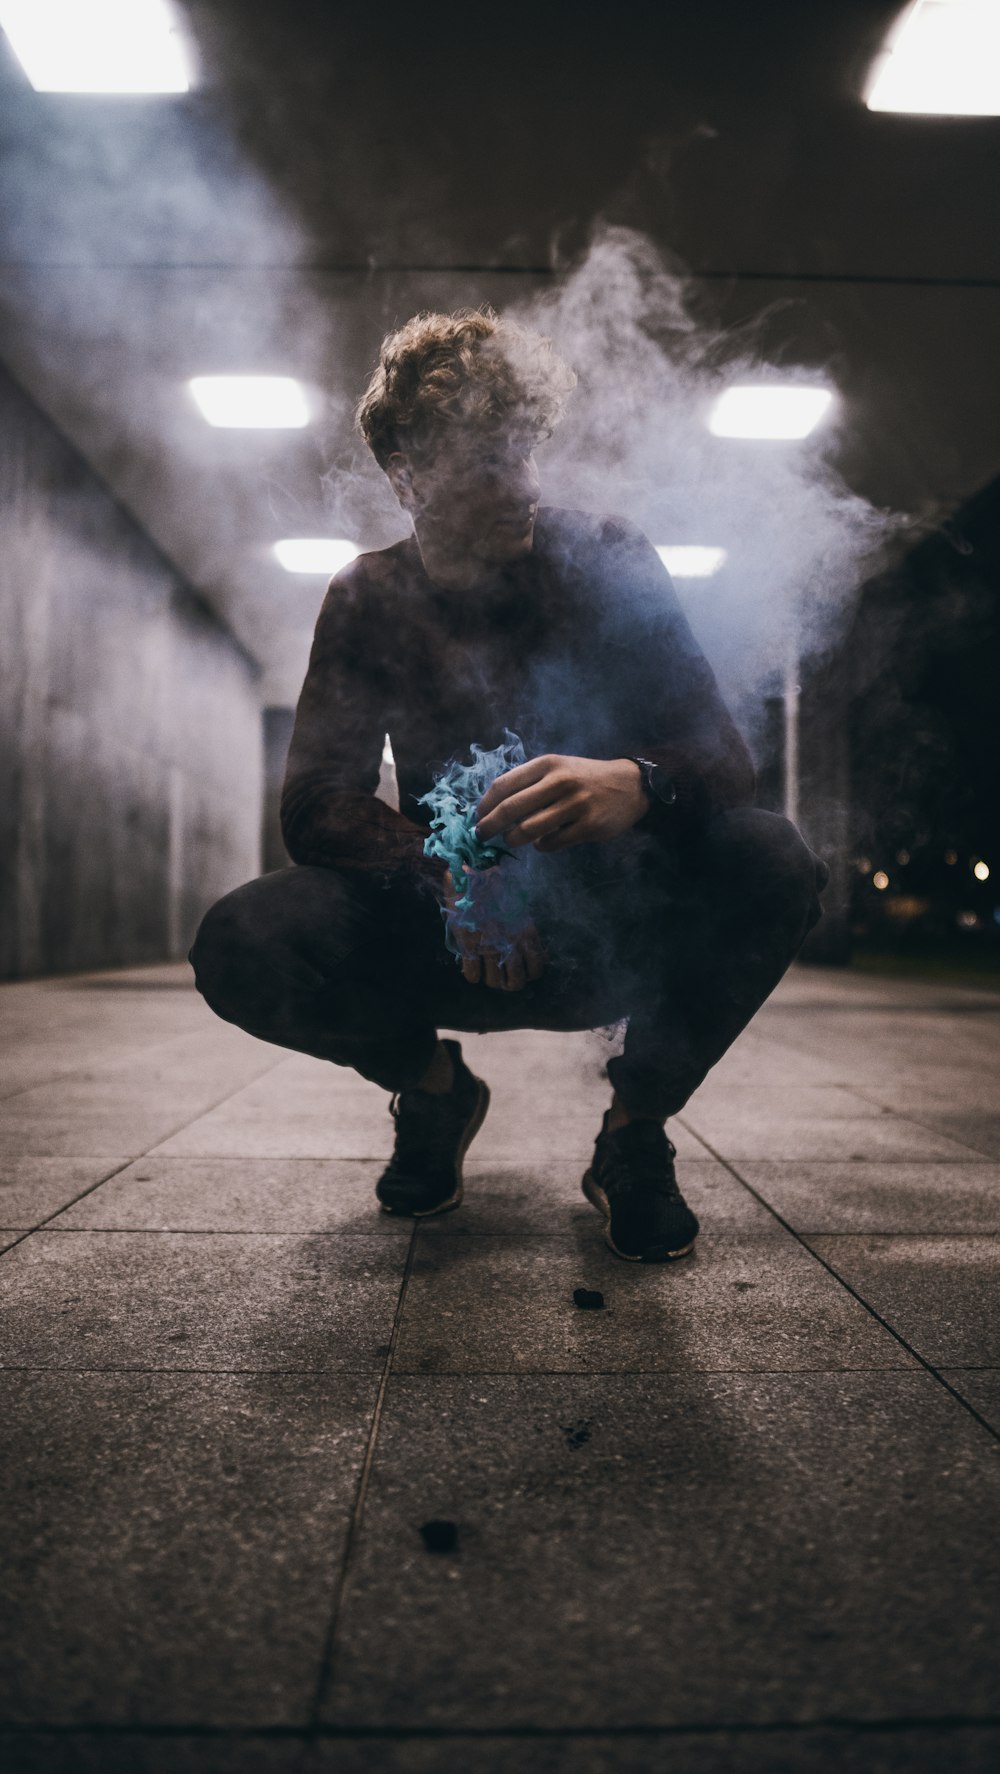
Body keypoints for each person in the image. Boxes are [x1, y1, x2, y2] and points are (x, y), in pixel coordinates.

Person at [190, 309, 827, 1262]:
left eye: (528, 451)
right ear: (408, 477)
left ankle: (632, 1134)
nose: (524, 484)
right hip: (451, 936)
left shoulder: (611, 559)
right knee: (243, 940)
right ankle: (435, 1093)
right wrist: (445, 870)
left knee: (775, 858)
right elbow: (315, 802)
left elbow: (723, 757)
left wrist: (639, 782)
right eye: (490, 463)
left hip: (610, 925)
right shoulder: (367, 597)